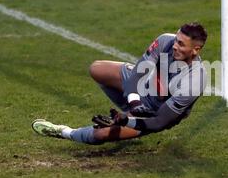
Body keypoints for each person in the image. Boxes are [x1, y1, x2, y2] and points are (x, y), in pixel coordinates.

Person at [32, 22, 208, 145]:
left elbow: (159, 122)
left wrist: (126, 121)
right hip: (143, 90)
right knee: (97, 69)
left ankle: (64, 132)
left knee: (101, 134)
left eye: (181, 44)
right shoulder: (165, 41)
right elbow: (137, 74)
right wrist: (134, 101)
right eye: (176, 40)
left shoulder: (194, 81)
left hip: (154, 114)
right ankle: (129, 109)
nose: (175, 46)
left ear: (196, 49)